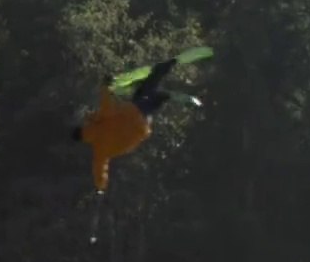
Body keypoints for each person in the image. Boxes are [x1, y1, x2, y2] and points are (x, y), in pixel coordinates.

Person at [72, 47, 210, 193]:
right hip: (135, 113)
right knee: (153, 89)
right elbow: (106, 105)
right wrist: (105, 87)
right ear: (82, 128)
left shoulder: (99, 150)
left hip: (141, 127)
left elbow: (100, 169)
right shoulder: (99, 123)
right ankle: (173, 84)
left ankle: (167, 86)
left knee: (147, 91)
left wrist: (100, 186)